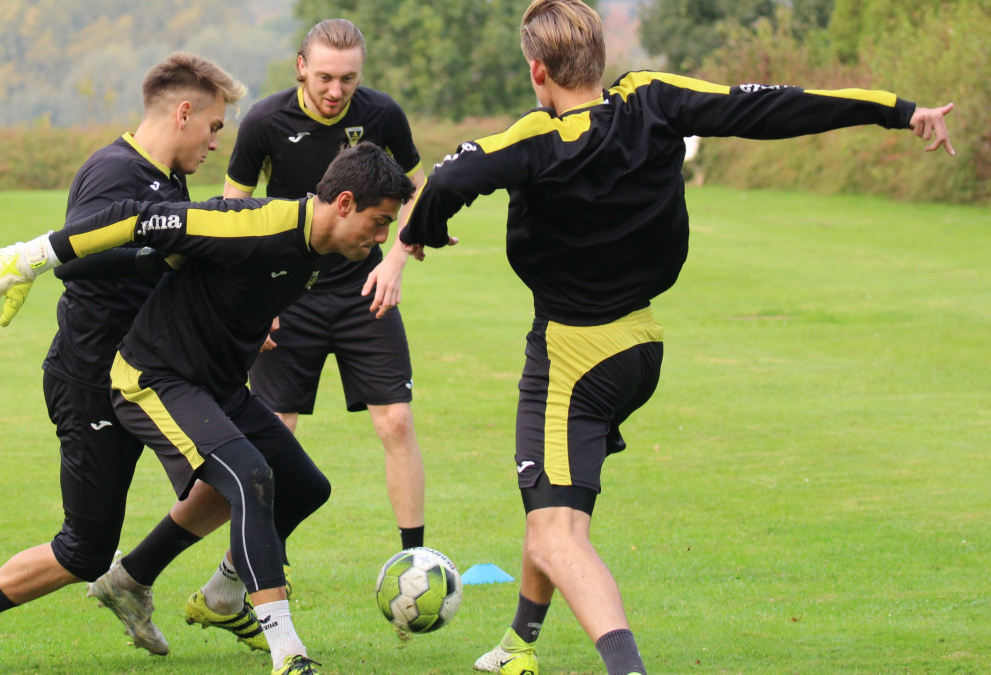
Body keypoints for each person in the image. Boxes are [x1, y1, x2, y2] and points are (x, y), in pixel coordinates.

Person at [397, 1, 956, 674]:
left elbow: (450, 177)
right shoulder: (651, 100)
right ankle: (519, 645)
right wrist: (896, 109)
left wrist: (420, 233)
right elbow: (770, 106)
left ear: (537, 70)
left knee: (556, 532)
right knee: (550, 504)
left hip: (576, 357)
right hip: (639, 346)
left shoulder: (538, 136)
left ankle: (627, 668)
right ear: (599, 56)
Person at [0, 141, 417, 675]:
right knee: (249, 476)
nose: (383, 237)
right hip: (155, 377)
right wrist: (32, 258)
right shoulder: (254, 224)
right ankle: (288, 652)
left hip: (217, 385)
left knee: (306, 487)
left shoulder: (336, 248)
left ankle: (184, 589)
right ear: (346, 203)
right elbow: (136, 219)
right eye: (380, 222)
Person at [99, 17, 432, 652]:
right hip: (259, 301)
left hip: (338, 285)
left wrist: (393, 258)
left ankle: (197, 584)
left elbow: (417, 191)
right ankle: (284, 642)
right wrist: (33, 256)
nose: (336, 90)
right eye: (326, 76)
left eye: (349, 78)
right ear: (302, 66)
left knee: (319, 471)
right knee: (257, 461)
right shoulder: (264, 128)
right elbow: (222, 216)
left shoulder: (382, 120)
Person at [0, 53, 245, 675]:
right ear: (184, 112)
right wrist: (165, 253)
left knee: (238, 473)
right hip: (92, 381)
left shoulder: (168, 180)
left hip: (149, 380)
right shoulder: (114, 170)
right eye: (214, 126)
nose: (215, 142)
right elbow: (79, 258)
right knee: (84, 549)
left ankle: (133, 579)